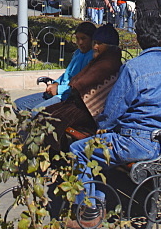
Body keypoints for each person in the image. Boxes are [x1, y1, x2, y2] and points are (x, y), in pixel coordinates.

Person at [67, 16, 161, 229]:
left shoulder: (133, 68)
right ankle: (96, 205)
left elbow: (112, 112)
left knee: (79, 149)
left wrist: (103, 125)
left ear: (138, 40)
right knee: (94, 150)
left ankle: (89, 212)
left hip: (132, 143)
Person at [42, 24, 122, 152]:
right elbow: (74, 79)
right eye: (94, 43)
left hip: (91, 114)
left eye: (99, 43)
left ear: (109, 47)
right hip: (79, 105)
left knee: (51, 121)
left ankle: (56, 160)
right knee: (45, 116)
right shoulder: (96, 59)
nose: (95, 47)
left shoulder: (109, 63)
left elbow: (80, 83)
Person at [15, 22, 96, 111]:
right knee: (19, 104)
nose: (80, 42)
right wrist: (56, 83)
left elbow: (81, 86)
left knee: (37, 113)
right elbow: (67, 74)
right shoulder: (77, 53)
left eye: (84, 39)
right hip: (58, 91)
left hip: (67, 97)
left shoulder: (92, 57)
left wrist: (59, 89)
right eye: (77, 38)